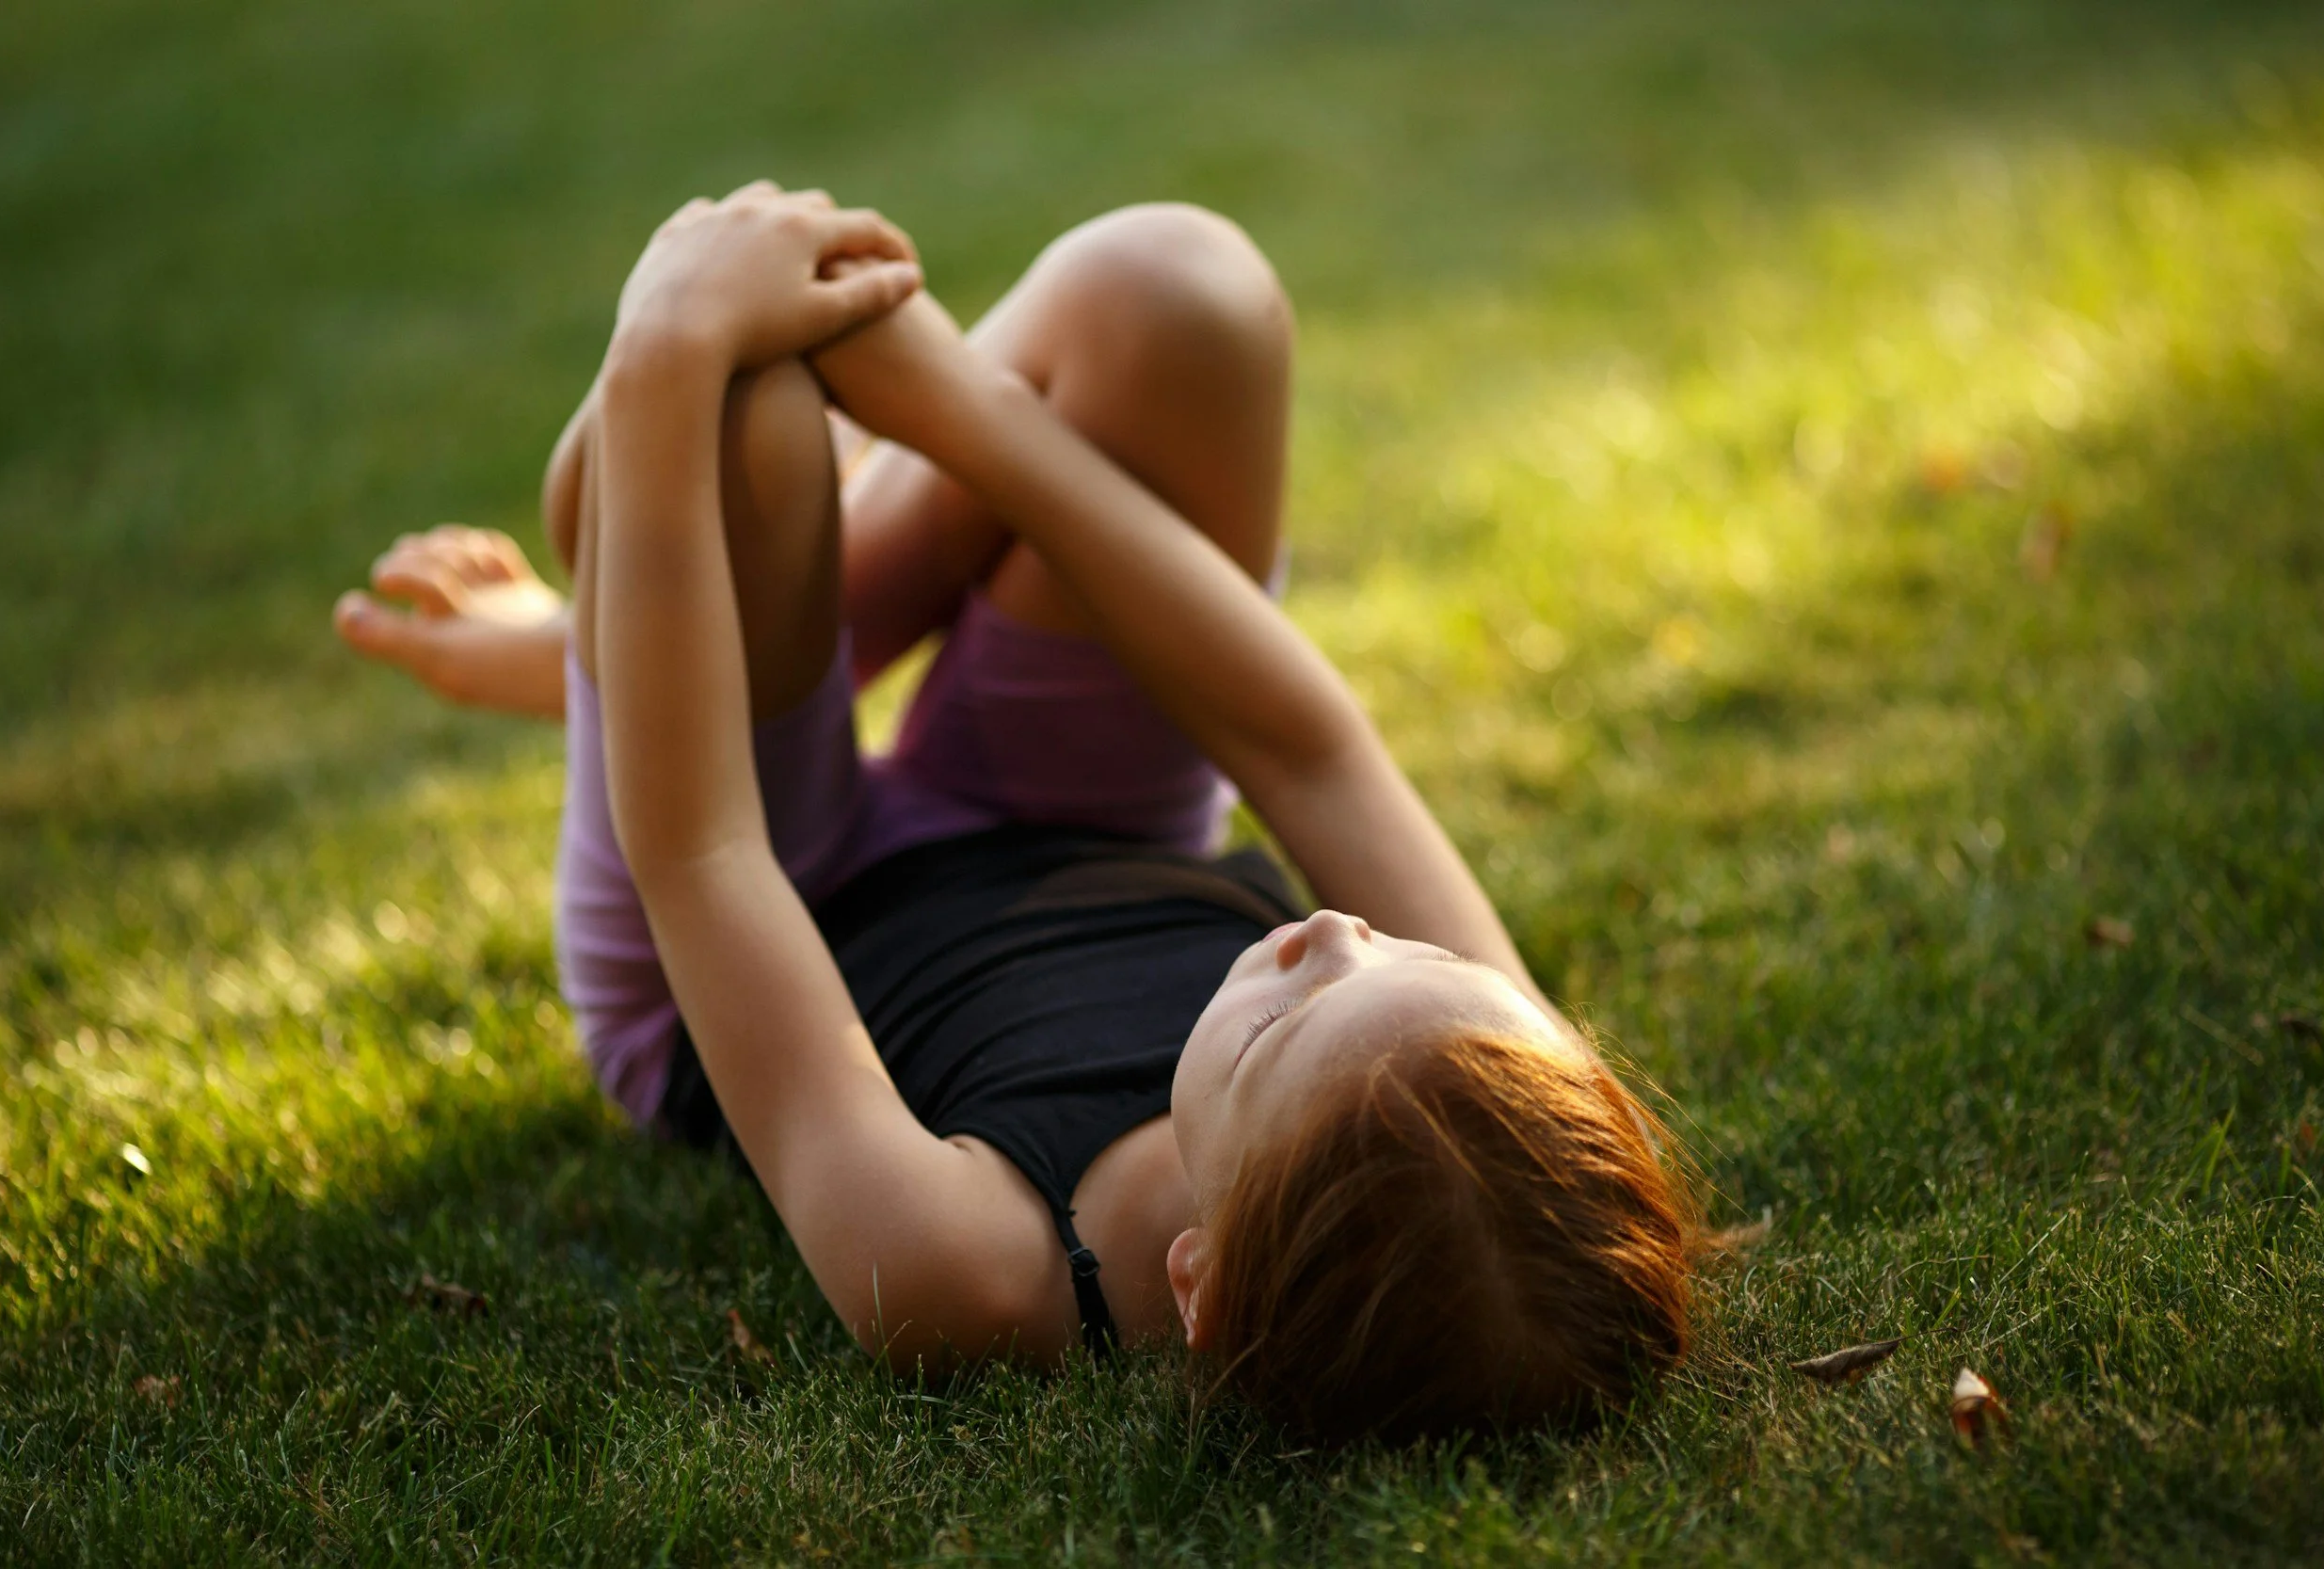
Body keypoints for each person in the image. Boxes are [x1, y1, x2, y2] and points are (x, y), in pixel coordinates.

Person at [334, 186, 1694, 1443]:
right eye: (1423, 956)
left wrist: (664, 348)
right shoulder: (1493, 1085)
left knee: (740, 417)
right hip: (1076, 824)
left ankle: (620, 644)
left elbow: (701, 854)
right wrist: (955, 404)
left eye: (1292, 1010)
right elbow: (1305, 746)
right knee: (1180, 294)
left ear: (1198, 1280)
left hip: (771, 902)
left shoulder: (969, 1273)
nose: (1338, 926)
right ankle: (642, 624)